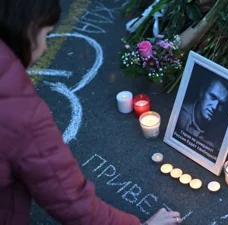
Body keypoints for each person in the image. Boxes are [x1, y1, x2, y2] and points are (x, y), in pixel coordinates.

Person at [0, 1, 181, 224]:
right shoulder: (20, 112)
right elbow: (71, 202)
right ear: (27, 29)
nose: (46, 47)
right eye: (46, 34)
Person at [176, 78, 228, 151]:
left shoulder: (221, 136)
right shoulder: (179, 114)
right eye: (212, 97)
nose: (214, 107)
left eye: (221, 104)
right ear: (202, 92)